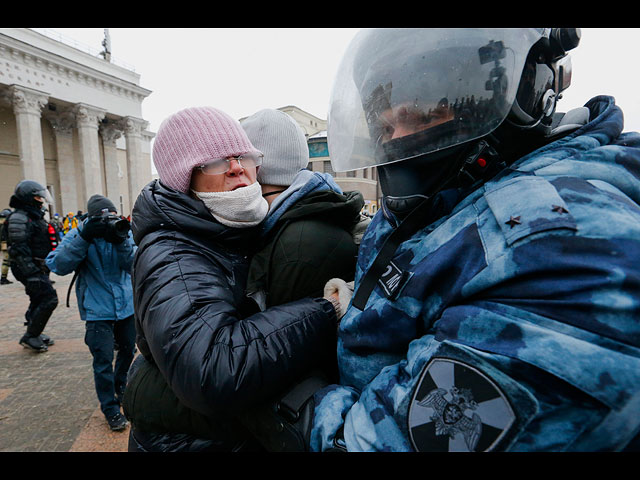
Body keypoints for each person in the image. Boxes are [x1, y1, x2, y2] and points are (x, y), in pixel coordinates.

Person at [291, 28, 640, 452]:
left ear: (526, 94)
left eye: (427, 115)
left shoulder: (559, 248)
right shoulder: (449, 196)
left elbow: (364, 445)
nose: (399, 139)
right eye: (386, 125)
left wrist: (304, 404)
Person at [122, 106, 344, 452]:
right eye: (215, 162)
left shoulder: (223, 230)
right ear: (185, 178)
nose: (237, 167)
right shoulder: (174, 253)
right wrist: (325, 311)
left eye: (243, 155)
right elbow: (213, 370)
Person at [45, 194, 137, 432]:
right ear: (91, 218)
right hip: (98, 311)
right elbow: (57, 264)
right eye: (102, 218)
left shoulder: (122, 232)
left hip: (126, 307)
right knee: (103, 360)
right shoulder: (80, 234)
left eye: (112, 216)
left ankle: (122, 385)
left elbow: (135, 264)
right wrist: (85, 237)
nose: (108, 221)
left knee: (128, 351)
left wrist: (120, 239)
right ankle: (110, 408)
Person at [6, 180, 58, 352]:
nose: (41, 200)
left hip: (37, 266)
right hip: (27, 268)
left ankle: (34, 332)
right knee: (49, 298)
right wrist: (32, 273)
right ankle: (30, 335)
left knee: (38, 299)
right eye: (37, 197)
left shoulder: (32, 215)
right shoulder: (19, 218)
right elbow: (19, 250)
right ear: (28, 198)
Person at [0, 208, 13, 285]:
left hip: (3, 244)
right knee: (6, 261)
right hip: (6, 243)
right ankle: (3, 278)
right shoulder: (6, 223)